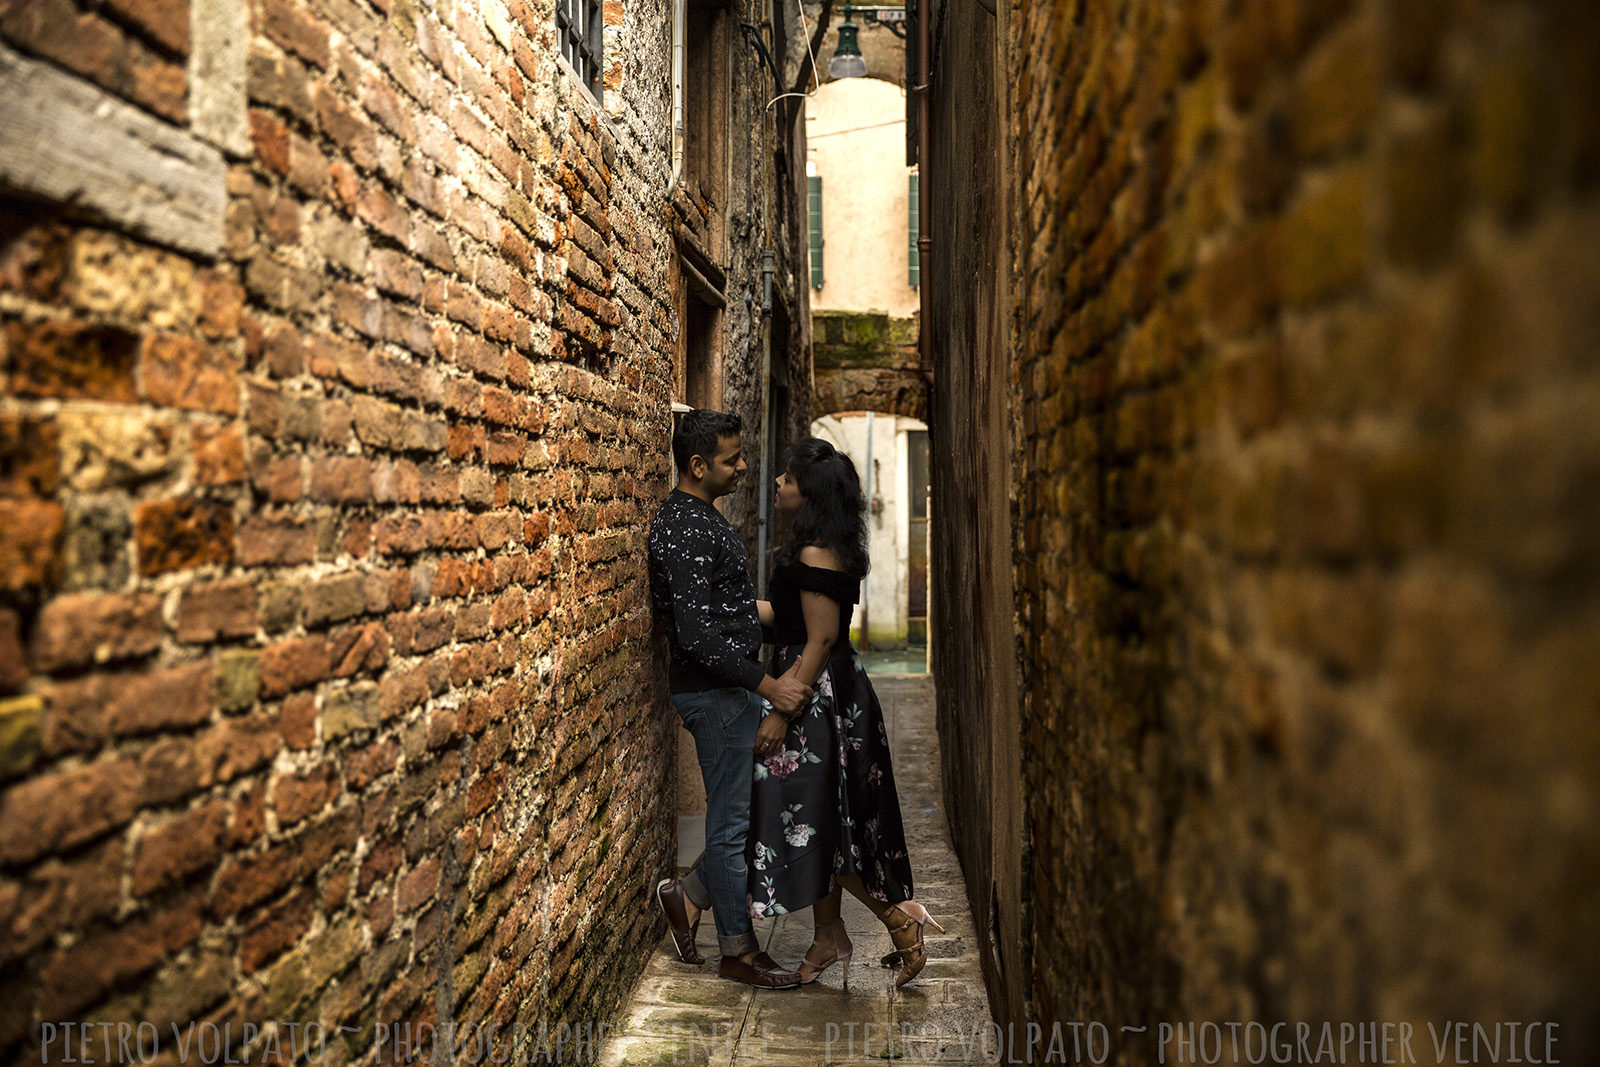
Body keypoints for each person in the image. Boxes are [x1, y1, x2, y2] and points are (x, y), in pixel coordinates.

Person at [746, 437, 944, 990]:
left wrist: (784, 710)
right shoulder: (822, 548)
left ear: (808, 494)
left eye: (787, 478)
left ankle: (897, 920)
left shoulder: (815, 555)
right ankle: (829, 934)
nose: (778, 484)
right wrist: (730, 610)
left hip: (816, 700)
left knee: (818, 823)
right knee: (827, 817)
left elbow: (822, 636)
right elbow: (791, 617)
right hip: (829, 691)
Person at [647, 409, 812, 989]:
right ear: (697, 466)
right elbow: (695, 633)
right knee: (729, 826)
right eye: (732, 459)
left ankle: (687, 897)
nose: (745, 467)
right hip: (715, 697)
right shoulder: (686, 526)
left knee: (740, 817)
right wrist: (769, 686)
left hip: (727, 692)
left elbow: (727, 615)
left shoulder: (700, 520)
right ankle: (737, 952)